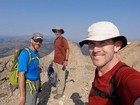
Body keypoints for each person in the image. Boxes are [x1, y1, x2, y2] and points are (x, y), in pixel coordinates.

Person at [79, 21, 140, 105]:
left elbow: (134, 83)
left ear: (117, 46)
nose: (95, 50)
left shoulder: (124, 75)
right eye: (91, 44)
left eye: (102, 42)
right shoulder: (100, 70)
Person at [18, 33, 43, 105]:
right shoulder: (25, 53)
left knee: (33, 101)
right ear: (31, 40)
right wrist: (22, 96)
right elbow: (21, 75)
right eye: (36, 40)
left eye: (40, 41)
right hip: (30, 85)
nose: (38, 43)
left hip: (36, 82)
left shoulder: (36, 53)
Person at [51, 27, 69, 99]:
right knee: (57, 76)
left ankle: (60, 92)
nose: (57, 33)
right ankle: (58, 89)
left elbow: (67, 49)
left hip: (61, 62)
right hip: (56, 61)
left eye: (58, 31)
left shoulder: (63, 40)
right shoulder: (55, 40)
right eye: (55, 31)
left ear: (61, 32)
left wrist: (66, 60)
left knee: (61, 77)